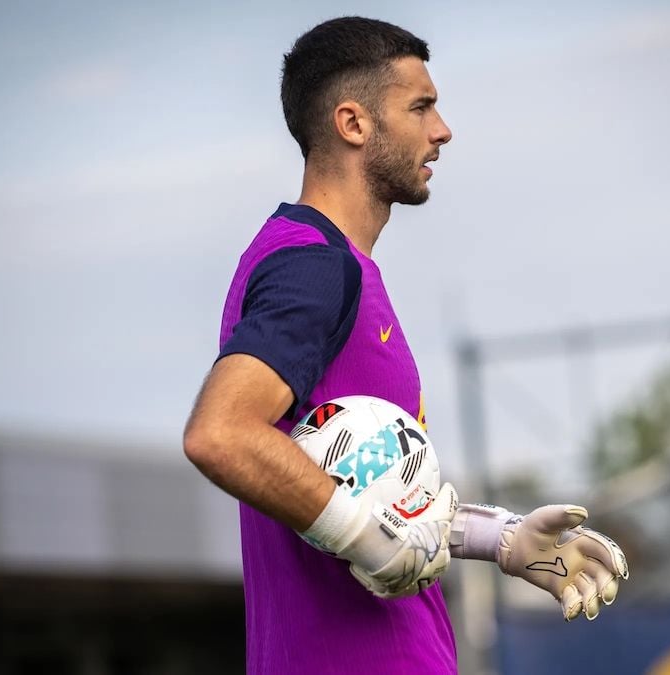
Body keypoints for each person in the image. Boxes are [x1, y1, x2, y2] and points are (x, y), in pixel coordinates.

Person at [183, 16, 628, 674]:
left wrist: (497, 536)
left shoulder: (321, 263)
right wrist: (364, 536)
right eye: (421, 107)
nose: (441, 130)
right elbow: (220, 433)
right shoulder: (313, 266)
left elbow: (355, 489)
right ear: (354, 123)